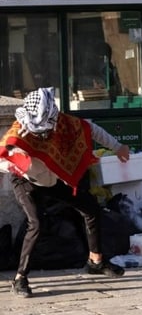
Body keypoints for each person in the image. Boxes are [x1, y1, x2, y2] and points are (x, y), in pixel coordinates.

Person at [0, 87, 130, 298]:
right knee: (36, 223)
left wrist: (118, 147)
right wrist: (9, 166)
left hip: (54, 178)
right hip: (26, 181)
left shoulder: (64, 124)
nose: (44, 135)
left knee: (91, 209)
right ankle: (20, 278)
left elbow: (91, 130)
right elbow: (3, 155)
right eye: (40, 131)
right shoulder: (19, 132)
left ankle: (95, 261)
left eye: (47, 130)